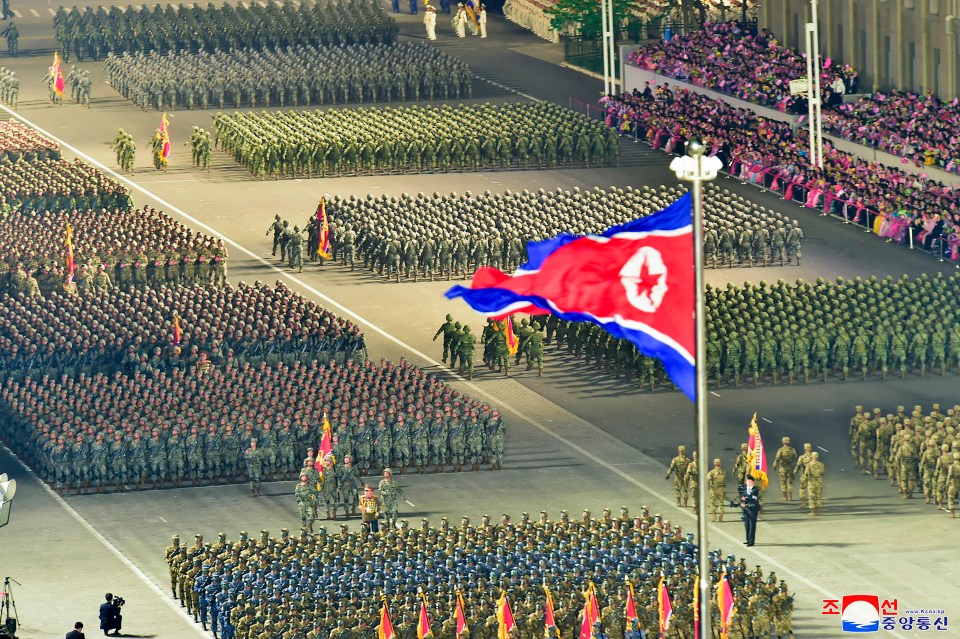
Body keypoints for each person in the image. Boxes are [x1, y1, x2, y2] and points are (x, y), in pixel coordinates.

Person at [739, 476, 760, 546]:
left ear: (753, 483)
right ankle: (748, 539)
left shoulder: (755, 490)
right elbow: (742, 498)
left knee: (752, 526)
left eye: (750, 481)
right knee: (746, 525)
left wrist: (746, 500)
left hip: (752, 510)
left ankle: (751, 541)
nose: (748, 483)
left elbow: (753, 499)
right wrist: (742, 503)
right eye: (747, 481)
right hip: (746, 509)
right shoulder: (744, 489)